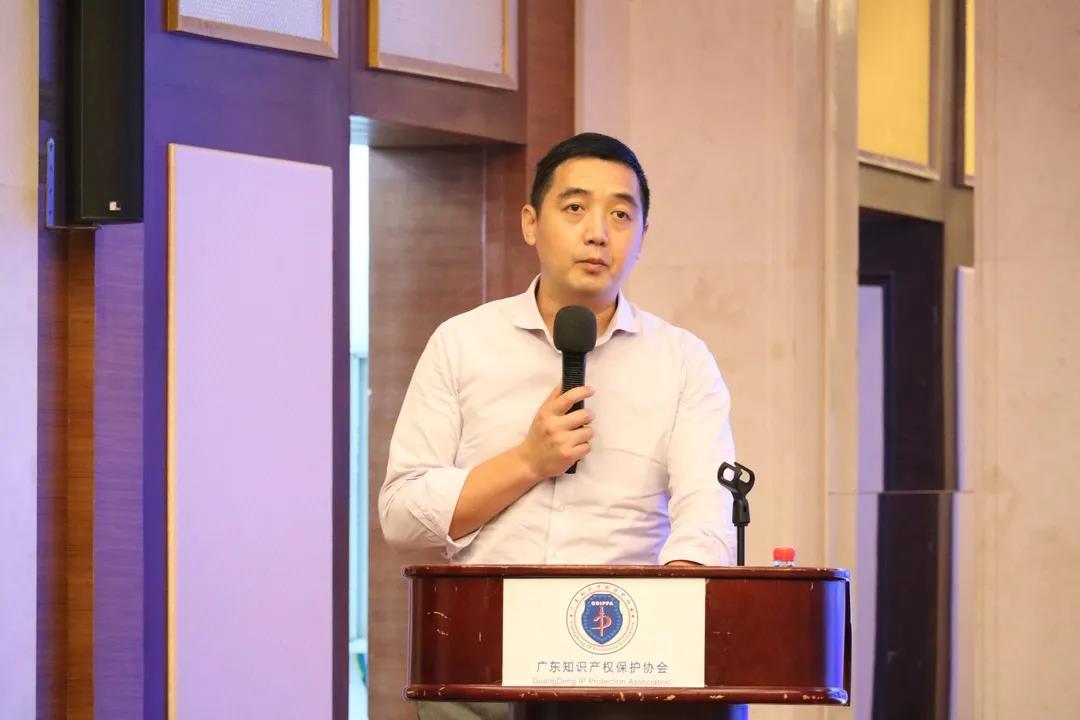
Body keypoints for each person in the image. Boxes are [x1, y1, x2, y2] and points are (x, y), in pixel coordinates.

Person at [378, 132, 737, 720]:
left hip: (626, 673)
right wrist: (527, 462)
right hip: (481, 662)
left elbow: (706, 517)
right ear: (531, 223)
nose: (598, 232)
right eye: (575, 208)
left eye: (621, 215)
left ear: (642, 236)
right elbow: (401, 516)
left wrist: (667, 623)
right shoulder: (462, 343)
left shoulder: (681, 360)